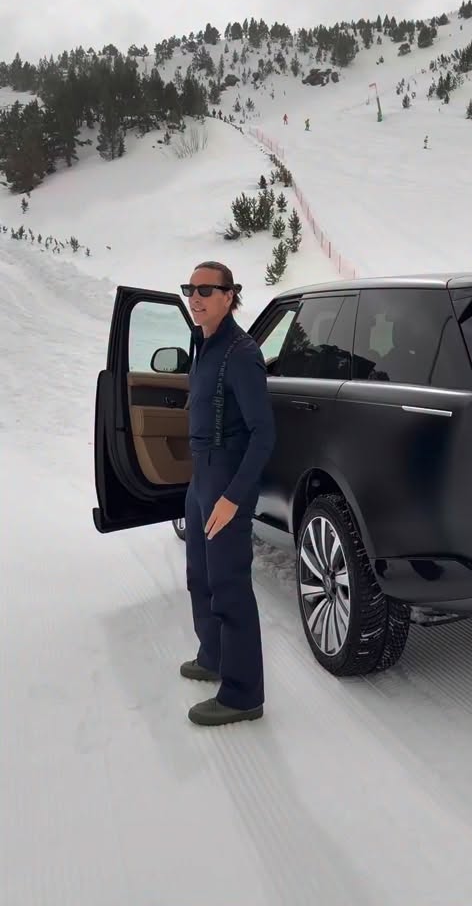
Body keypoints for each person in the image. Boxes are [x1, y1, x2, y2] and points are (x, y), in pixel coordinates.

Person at [179, 261, 276, 727]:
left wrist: (233, 497)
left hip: (226, 481)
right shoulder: (203, 344)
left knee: (230, 586)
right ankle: (214, 656)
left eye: (205, 290)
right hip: (201, 477)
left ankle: (243, 695)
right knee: (199, 575)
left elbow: (264, 434)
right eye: (190, 289)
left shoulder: (241, 353)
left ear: (229, 295)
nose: (195, 298)